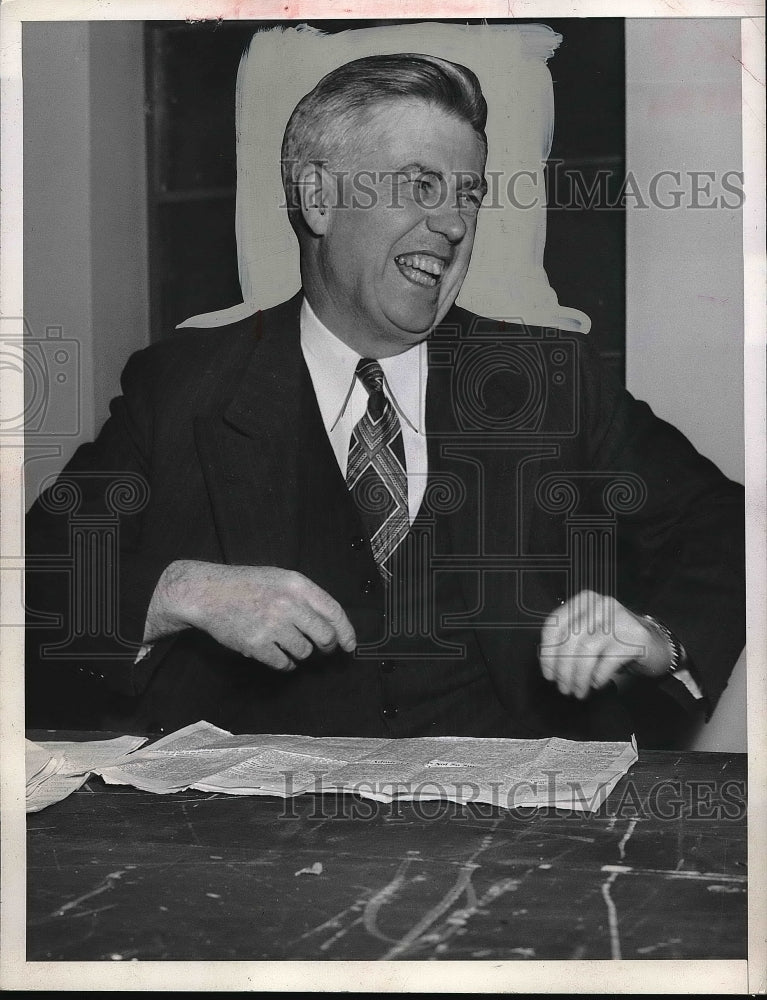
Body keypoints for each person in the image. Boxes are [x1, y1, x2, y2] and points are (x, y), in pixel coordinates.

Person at [25, 53, 745, 742]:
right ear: (318, 199)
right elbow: (36, 574)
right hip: (255, 839)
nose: (457, 223)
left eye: (467, 193)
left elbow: (725, 524)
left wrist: (659, 638)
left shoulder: (550, 377)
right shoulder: (183, 388)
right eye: (421, 185)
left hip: (517, 828)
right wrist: (178, 591)